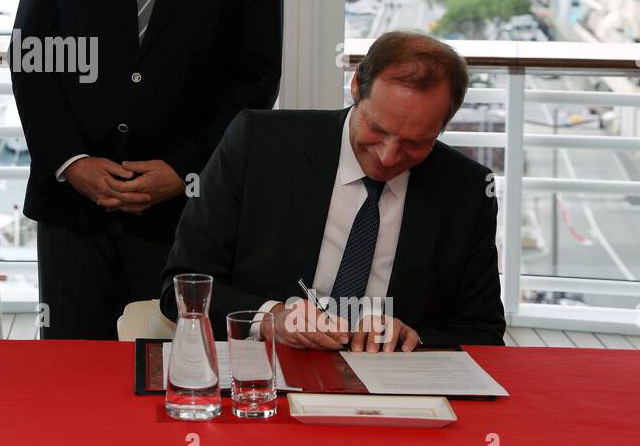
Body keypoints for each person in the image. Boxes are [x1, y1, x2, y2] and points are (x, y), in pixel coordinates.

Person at [13, 0, 284, 339]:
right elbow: (34, 57)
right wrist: (71, 163)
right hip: (74, 210)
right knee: (70, 383)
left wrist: (184, 170)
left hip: (185, 216)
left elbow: (254, 80)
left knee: (171, 377)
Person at [160, 31, 506, 350]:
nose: (387, 156)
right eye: (377, 128)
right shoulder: (260, 144)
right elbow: (182, 286)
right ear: (356, 86)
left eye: (415, 143)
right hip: (267, 373)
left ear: (443, 127)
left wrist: (415, 340)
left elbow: (482, 333)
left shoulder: (466, 191)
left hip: (394, 389)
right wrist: (271, 318)